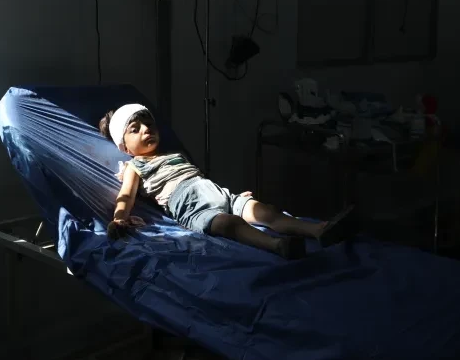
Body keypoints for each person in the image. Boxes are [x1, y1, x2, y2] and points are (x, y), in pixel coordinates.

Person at [98, 104, 354, 259]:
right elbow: (126, 196)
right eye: (135, 129)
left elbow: (198, 179)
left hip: (218, 193)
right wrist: (119, 217)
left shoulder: (173, 154)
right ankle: (278, 246)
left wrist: (230, 196)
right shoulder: (135, 166)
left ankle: (319, 230)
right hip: (192, 207)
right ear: (125, 147)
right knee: (229, 224)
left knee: (266, 211)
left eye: (149, 123)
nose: (146, 129)